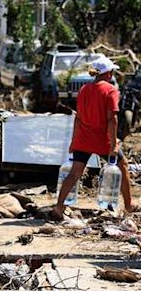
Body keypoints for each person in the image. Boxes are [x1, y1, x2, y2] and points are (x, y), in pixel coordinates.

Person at [51, 57, 135, 221]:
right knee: (123, 165)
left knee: (75, 173)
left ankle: (59, 206)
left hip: (83, 139)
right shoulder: (111, 90)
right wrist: (113, 144)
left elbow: (78, 118)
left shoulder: (83, 89)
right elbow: (112, 119)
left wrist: (73, 142)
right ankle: (129, 205)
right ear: (108, 73)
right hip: (102, 140)